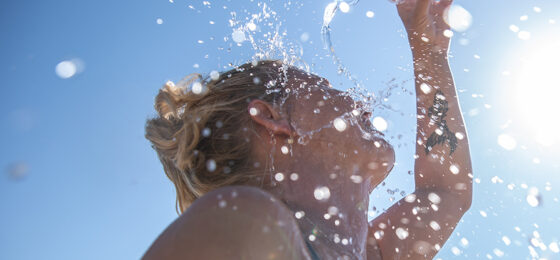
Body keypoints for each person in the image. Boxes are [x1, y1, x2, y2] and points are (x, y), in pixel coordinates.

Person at [142, 0, 472, 259]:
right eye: (325, 87)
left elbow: (446, 189)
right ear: (273, 119)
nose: (358, 102)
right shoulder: (250, 222)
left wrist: (429, 52)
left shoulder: (365, 254)